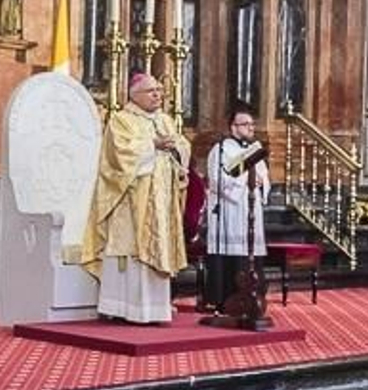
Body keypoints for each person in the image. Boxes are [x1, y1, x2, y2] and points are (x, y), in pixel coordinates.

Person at [79, 73, 190, 323]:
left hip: (160, 200)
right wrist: (153, 145)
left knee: (157, 250)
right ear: (135, 95)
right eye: (152, 91)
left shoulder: (165, 120)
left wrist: (177, 148)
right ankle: (123, 309)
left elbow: (183, 146)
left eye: (160, 91)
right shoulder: (121, 120)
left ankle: (155, 309)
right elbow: (119, 157)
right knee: (130, 254)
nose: (158, 95)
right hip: (131, 203)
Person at [204, 105, 269, 309]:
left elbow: (264, 178)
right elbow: (217, 180)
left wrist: (261, 183)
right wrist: (245, 182)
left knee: (250, 254)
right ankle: (223, 299)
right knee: (231, 255)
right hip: (230, 212)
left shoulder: (254, 150)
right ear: (233, 127)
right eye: (245, 124)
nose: (250, 128)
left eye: (252, 124)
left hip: (250, 208)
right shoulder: (221, 150)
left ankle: (252, 297)